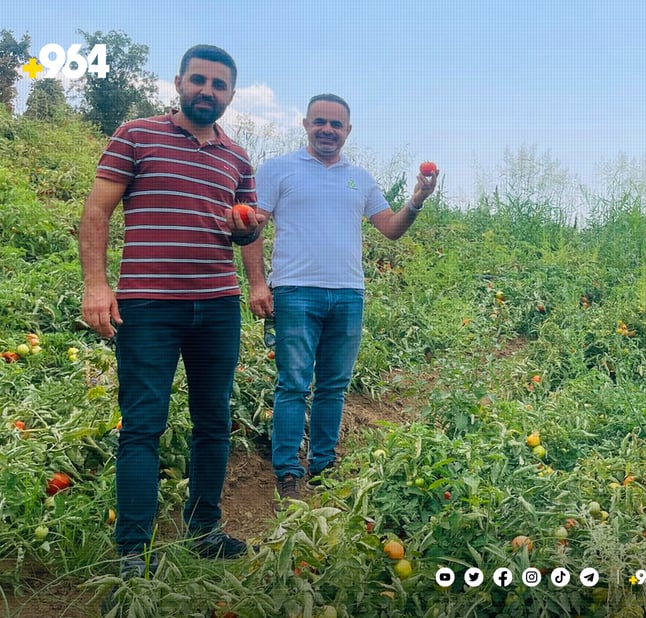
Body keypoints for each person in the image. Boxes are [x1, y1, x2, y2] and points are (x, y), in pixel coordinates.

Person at [79, 44, 262, 578]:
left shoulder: (237, 157)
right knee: (142, 426)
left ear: (230, 94)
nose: (208, 91)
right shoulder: (136, 134)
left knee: (214, 420)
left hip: (218, 306)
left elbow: (245, 231)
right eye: (199, 80)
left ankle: (204, 529)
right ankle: (132, 553)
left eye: (219, 85)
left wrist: (248, 234)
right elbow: (97, 210)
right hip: (149, 305)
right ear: (180, 82)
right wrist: (96, 284)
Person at [241, 94, 437, 501]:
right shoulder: (278, 170)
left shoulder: (360, 178)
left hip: (348, 294)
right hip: (294, 292)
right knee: (293, 384)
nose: (327, 130)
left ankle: (324, 465)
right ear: (305, 124)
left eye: (336, 124)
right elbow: (251, 228)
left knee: (333, 385)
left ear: (349, 130)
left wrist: (416, 200)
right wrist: (259, 284)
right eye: (320, 122)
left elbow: (390, 228)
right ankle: (288, 472)